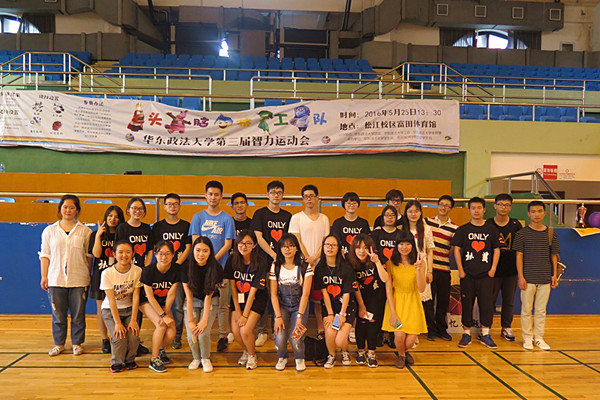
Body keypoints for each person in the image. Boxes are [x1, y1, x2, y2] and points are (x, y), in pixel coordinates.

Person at [39, 194, 92, 357]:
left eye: (72, 207)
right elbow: (45, 255)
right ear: (60, 209)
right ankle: (59, 344)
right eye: (65, 207)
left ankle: (77, 343)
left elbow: (88, 257)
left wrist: (87, 275)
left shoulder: (85, 231)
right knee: (58, 314)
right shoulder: (49, 231)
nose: (68, 210)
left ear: (77, 210)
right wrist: (44, 276)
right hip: (56, 278)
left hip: (79, 279)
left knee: (78, 314)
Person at [189, 181, 236, 352]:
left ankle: (223, 336)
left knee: (223, 304)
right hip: (200, 269)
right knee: (200, 301)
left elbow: (228, 244)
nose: (213, 197)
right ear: (205, 195)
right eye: (210, 194)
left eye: (217, 194)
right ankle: (196, 332)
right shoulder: (198, 217)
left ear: (221, 196)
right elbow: (196, 242)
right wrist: (204, 260)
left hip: (220, 268)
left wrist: (212, 261)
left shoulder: (227, 219)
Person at [451, 197, 501, 349]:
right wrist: (460, 270)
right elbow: (457, 250)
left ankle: (485, 333)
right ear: (469, 210)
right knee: (467, 303)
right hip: (468, 274)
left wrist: (493, 269)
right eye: (473, 208)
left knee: (486, 304)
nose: (476, 211)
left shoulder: (491, 230)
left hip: (486, 274)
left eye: (479, 208)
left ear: (484, 210)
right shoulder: (462, 230)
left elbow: (496, 250)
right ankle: (466, 333)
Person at [251, 181, 293, 347]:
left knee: (281, 297)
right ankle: (262, 331)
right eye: (273, 192)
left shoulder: (287, 216)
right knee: (263, 297)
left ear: (283, 195)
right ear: (267, 194)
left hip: (283, 264)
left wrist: (282, 256)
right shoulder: (260, 214)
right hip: (264, 263)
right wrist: (274, 254)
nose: (276, 195)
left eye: (279, 192)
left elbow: (289, 240)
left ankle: (281, 332)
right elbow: (258, 237)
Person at [514, 201, 559, 351]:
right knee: (526, 310)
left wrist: (554, 274)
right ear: (528, 214)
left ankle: (538, 337)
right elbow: (519, 256)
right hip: (528, 278)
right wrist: (521, 276)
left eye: (539, 211)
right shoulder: (521, 234)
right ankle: (527, 337)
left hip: (545, 278)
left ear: (544, 213)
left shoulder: (551, 233)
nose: (536, 214)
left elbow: (554, 255)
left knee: (541, 310)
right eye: (533, 211)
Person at [381, 231, 427, 369]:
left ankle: (405, 351)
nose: (404, 247)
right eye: (401, 244)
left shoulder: (420, 263)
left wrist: (418, 270)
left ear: (413, 245)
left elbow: (421, 288)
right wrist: (393, 313)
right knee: (399, 335)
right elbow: (389, 289)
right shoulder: (390, 263)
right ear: (396, 245)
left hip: (413, 302)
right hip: (396, 302)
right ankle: (401, 355)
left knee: (410, 340)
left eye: (407, 244)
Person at [289, 184, 330, 338]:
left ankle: (321, 330)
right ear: (302, 199)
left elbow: (326, 241)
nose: (309, 199)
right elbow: (297, 240)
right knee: (302, 300)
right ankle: (298, 334)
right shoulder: (296, 218)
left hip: (320, 265)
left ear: (317, 197)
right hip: (302, 265)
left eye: (312, 196)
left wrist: (315, 258)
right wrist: (308, 259)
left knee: (319, 301)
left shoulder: (324, 219)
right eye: (306, 196)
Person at [151, 193, 191, 350]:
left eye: (175, 204)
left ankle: (177, 336)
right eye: (169, 204)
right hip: (163, 272)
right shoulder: (158, 227)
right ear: (164, 206)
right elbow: (155, 249)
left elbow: (188, 247)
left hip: (179, 270)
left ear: (179, 206)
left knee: (179, 304)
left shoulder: (186, 226)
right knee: (161, 302)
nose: (172, 207)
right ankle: (161, 332)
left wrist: (177, 264)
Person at [224, 230, 269, 370]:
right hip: (238, 298)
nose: (244, 246)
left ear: (254, 245)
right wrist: (238, 311)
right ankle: (247, 350)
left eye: (248, 243)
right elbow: (233, 287)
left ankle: (252, 355)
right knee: (236, 331)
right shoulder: (232, 259)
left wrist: (244, 315)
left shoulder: (260, 262)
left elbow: (253, 292)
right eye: (241, 243)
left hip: (256, 299)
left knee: (244, 330)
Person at [269, 233, 313, 371]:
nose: (287, 249)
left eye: (291, 246)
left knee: (296, 338)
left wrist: (299, 317)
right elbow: (273, 294)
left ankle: (300, 358)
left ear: (296, 248)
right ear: (280, 249)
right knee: (280, 337)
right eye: (284, 246)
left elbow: (305, 294)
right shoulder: (275, 266)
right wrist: (278, 317)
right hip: (282, 305)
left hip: (300, 306)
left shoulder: (305, 266)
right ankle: (282, 357)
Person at [313, 234, 358, 369]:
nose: (330, 248)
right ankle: (331, 355)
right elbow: (324, 293)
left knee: (339, 340)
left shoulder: (346, 268)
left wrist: (342, 314)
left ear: (339, 248)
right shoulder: (320, 268)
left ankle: (345, 352)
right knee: (330, 333)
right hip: (330, 307)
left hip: (346, 307)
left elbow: (347, 293)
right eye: (327, 245)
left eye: (333, 245)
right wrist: (331, 314)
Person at [100, 241, 142, 373]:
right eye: (121, 252)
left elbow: (136, 297)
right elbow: (111, 300)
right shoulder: (107, 273)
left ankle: (130, 360)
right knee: (119, 336)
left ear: (133, 253)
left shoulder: (137, 271)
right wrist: (117, 323)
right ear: (114, 254)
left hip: (129, 309)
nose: (124, 255)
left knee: (134, 336)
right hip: (110, 310)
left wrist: (134, 319)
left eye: (128, 252)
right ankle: (117, 362)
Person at [182, 237, 224, 372]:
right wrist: (190, 320)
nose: (201, 254)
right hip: (192, 300)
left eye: (205, 251)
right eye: (198, 250)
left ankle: (205, 358)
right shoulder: (186, 267)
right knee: (192, 333)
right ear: (193, 250)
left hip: (210, 300)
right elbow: (188, 296)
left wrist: (204, 320)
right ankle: (196, 358)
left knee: (203, 333)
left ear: (210, 252)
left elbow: (208, 296)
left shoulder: (216, 267)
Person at [140, 241, 181, 373]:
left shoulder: (176, 269)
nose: (164, 257)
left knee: (171, 331)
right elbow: (149, 297)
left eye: (168, 254)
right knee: (161, 325)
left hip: (163, 304)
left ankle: (161, 350)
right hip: (146, 302)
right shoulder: (148, 271)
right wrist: (162, 316)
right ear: (155, 254)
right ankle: (154, 359)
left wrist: (166, 313)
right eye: (161, 253)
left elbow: (171, 294)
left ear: (173, 255)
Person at [485, 193, 522, 342]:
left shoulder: (516, 225)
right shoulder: (488, 224)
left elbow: (520, 249)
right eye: (500, 204)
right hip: (492, 270)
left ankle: (506, 327)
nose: (503, 207)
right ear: (495, 206)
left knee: (509, 300)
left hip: (511, 270)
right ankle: (486, 328)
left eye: (507, 205)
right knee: (489, 300)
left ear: (510, 207)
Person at [347, 234, 388, 367]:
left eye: (365, 248)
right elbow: (355, 285)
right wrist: (361, 305)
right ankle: (360, 351)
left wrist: (377, 262)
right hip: (359, 297)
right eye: (358, 248)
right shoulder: (350, 262)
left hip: (376, 297)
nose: (361, 251)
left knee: (373, 324)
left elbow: (385, 279)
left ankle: (371, 352)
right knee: (361, 322)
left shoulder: (377, 257)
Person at [90, 205, 125, 354]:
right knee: (101, 308)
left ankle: (120, 337)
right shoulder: (96, 234)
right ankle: (105, 339)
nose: (113, 219)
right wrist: (98, 236)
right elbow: (97, 254)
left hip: (118, 275)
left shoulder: (122, 234)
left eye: (116, 216)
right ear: (106, 217)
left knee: (120, 306)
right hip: (100, 275)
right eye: (110, 216)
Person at [425, 195, 458, 341]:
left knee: (443, 301)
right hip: (429, 269)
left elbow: (451, 250)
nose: (443, 207)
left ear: (451, 209)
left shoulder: (455, 228)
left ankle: (441, 329)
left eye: (447, 205)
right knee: (429, 301)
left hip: (444, 269)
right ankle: (430, 329)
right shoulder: (427, 222)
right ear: (437, 205)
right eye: (441, 204)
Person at [402, 200, 435, 341]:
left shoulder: (426, 229)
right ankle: (408, 329)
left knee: (422, 300)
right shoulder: (402, 229)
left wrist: (429, 271)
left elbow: (429, 251)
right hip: (406, 267)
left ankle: (420, 330)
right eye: (410, 211)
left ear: (421, 212)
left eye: (416, 211)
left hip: (421, 267)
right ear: (406, 213)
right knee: (408, 299)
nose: (413, 214)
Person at [370, 205, 400, 348]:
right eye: (387, 215)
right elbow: (373, 252)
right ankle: (380, 334)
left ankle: (394, 334)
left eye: (392, 215)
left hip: (397, 272)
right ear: (382, 217)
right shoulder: (376, 234)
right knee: (379, 305)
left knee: (395, 304)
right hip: (379, 273)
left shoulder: (400, 234)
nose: (389, 218)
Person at [115, 197, 154, 268]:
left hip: (142, 268)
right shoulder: (122, 228)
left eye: (140, 208)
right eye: (134, 208)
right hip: (126, 268)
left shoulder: (146, 228)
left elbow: (150, 250)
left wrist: (146, 268)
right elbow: (118, 250)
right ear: (128, 210)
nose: (138, 211)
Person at [330, 192, 371, 257]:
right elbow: (335, 241)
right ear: (344, 204)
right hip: (342, 257)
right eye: (348, 203)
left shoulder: (363, 223)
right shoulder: (338, 223)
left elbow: (366, 242)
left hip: (359, 257)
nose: (352, 205)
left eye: (354, 203)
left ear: (358, 204)